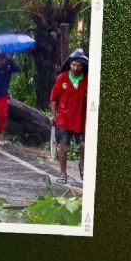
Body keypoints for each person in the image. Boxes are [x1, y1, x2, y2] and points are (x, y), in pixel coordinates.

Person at [49, 48, 89, 184]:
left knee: (84, 145)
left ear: (83, 66)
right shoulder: (62, 78)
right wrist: (53, 115)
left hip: (81, 119)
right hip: (64, 119)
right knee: (63, 146)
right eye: (73, 64)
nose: (76, 68)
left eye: (79, 65)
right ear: (70, 64)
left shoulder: (88, 79)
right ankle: (63, 174)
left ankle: (82, 164)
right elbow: (54, 98)